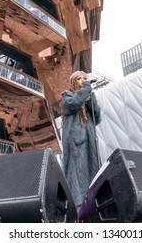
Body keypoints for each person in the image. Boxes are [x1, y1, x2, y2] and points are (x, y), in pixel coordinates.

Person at [61, 70, 101, 207]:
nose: (83, 81)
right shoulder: (67, 95)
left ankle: (94, 200)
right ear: (73, 82)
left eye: (85, 79)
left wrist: (91, 98)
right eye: (79, 79)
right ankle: (78, 204)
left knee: (92, 169)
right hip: (75, 142)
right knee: (77, 173)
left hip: (89, 140)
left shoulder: (87, 95)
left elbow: (97, 117)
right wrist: (86, 89)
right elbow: (72, 105)